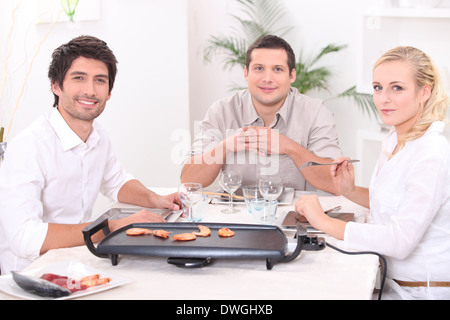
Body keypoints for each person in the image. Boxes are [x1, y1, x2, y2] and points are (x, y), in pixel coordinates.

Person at [0, 36, 181, 275]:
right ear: (56, 85)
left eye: (100, 80)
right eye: (79, 78)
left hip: (77, 261)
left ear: (109, 92)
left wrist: (157, 199)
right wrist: (112, 227)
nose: (90, 90)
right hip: (32, 276)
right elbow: (24, 238)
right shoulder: (28, 146)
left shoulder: (98, 136)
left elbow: (116, 182)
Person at [295, 46, 450, 299]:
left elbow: (400, 241)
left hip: (421, 292)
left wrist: (321, 221)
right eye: (378, 87)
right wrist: (350, 191)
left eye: (397, 88)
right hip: (391, 280)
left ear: (424, 92)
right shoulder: (396, 139)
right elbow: (399, 204)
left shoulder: (431, 152)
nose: (383, 98)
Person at [181, 35, 342, 194]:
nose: (267, 78)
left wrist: (289, 147)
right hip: (235, 215)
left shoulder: (315, 112)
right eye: (259, 68)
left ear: (292, 75)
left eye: (277, 69)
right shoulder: (222, 111)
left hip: (294, 216)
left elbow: (336, 184)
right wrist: (225, 147)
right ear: (246, 73)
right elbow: (187, 180)